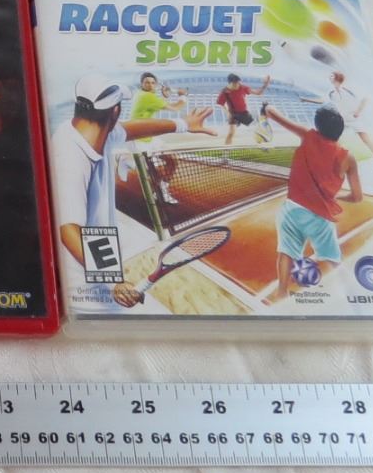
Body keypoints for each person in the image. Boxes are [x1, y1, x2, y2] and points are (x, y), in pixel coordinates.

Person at [49, 73, 215, 308]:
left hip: (98, 260)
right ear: (115, 112)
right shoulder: (71, 157)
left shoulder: (90, 131)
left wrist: (183, 125)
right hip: (83, 284)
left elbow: (132, 129)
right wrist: (113, 282)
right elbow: (68, 230)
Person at [261, 103, 363, 302]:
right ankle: (353, 294)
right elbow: (357, 197)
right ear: (340, 129)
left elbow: (275, 115)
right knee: (333, 259)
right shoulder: (348, 158)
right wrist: (337, 197)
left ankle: (282, 293)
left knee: (286, 252)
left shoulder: (308, 136)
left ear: (318, 127)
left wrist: (268, 108)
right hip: (320, 217)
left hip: (292, 210)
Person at [322, 70, 373, 169]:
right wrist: (305, 100)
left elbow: (365, 99)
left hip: (354, 118)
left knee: (365, 138)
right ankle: (334, 162)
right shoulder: (332, 93)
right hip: (342, 120)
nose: (330, 77)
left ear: (337, 77)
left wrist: (358, 111)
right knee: (335, 139)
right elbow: (325, 101)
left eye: (332, 76)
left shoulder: (349, 89)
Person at [217, 72, 270, 145]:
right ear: (230, 83)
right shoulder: (224, 91)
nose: (237, 85)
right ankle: (226, 150)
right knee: (231, 133)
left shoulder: (243, 88)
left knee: (257, 128)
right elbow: (221, 104)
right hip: (233, 115)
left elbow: (258, 92)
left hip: (244, 113)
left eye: (238, 83)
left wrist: (265, 84)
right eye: (235, 83)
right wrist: (228, 113)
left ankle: (261, 144)